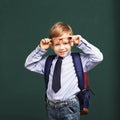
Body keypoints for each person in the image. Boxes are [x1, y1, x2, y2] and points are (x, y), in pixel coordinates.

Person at [24, 21, 103, 120]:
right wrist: (41, 49)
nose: (62, 48)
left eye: (65, 43)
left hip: (70, 106)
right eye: (57, 44)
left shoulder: (79, 60)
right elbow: (29, 64)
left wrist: (80, 42)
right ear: (52, 45)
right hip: (50, 106)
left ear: (71, 43)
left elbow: (98, 57)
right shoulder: (48, 61)